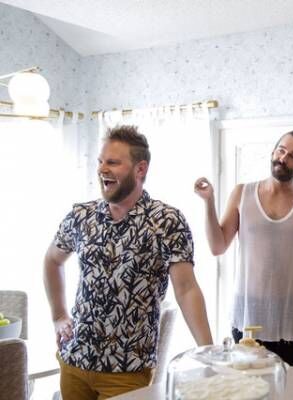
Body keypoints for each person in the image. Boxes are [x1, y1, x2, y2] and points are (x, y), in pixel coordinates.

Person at [44, 125, 213, 400]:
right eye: (100, 161)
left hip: (127, 372)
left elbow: (186, 289)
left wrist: (208, 352)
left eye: (112, 162)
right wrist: (58, 315)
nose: (102, 169)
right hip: (74, 361)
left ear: (140, 169)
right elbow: (52, 261)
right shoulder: (81, 216)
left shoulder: (166, 221)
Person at [194, 130, 293, 366]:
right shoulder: (242, 193)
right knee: (247, 383)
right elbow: (217, 246)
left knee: (284, 383)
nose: (283, 158)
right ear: (273, 152)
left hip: (288, 318)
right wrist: (208, 201)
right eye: (281, 150)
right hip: (247, 313)